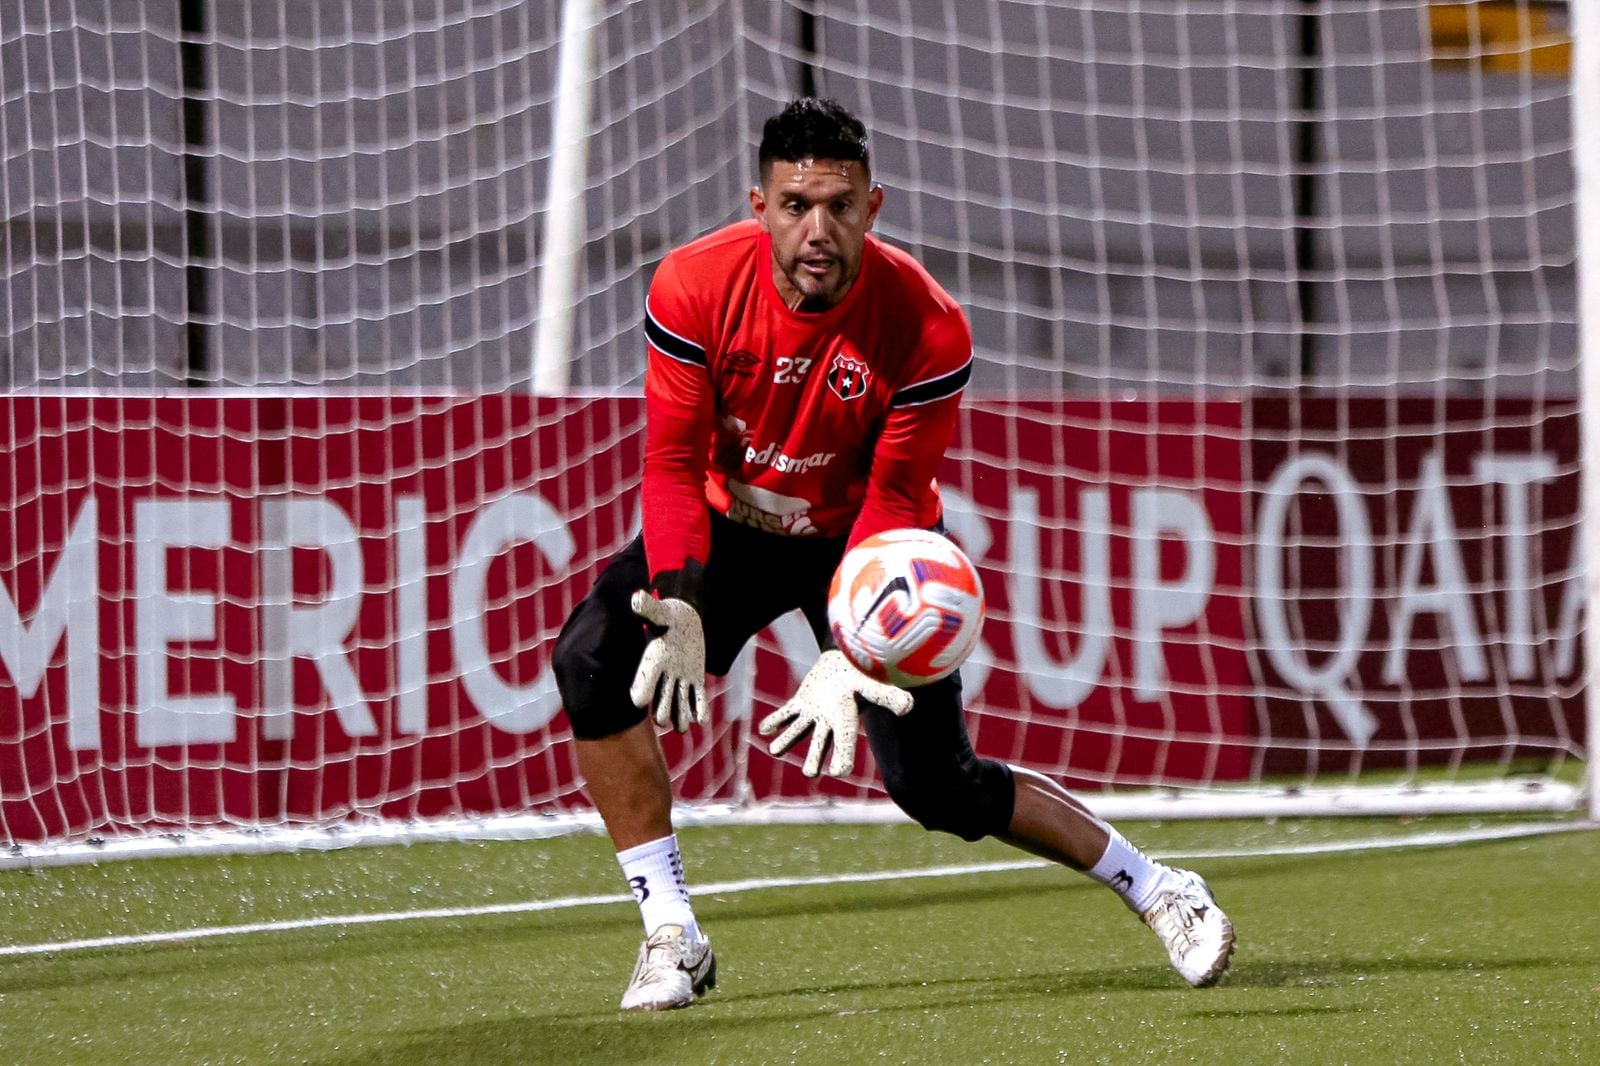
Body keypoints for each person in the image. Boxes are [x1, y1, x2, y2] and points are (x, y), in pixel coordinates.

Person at [552, 98, 1235, 1012]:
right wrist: (678, 599)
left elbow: (897, 496)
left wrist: (843, 651)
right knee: (591, 661)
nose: (818, 229)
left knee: (936, 788)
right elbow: (672, 464)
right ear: (758, 206)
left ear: (874, 206)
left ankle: (1155, 886)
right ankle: (672, 931)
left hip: (868, 550)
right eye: (797, 205)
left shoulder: (927, 323)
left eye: (839, 205)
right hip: (730, 530)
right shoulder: (691, 287)